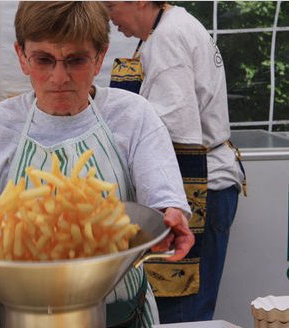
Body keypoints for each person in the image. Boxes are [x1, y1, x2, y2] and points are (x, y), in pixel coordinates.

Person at [0, 2, 194, 327]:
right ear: (22, 55)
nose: (59, 77)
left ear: (100, 56)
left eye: (76, 60)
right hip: (21, 316)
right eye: (44, 60)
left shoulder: (133, 116)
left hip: (122, 316)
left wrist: (171, 217)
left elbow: (163, 205)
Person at [106, 1, 246, 323]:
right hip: (209, 184)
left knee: (182, 313)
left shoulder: (169, 38)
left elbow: (173, 132)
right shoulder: (162, 32)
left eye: (111, 5)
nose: (109, 17)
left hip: (197, 190)